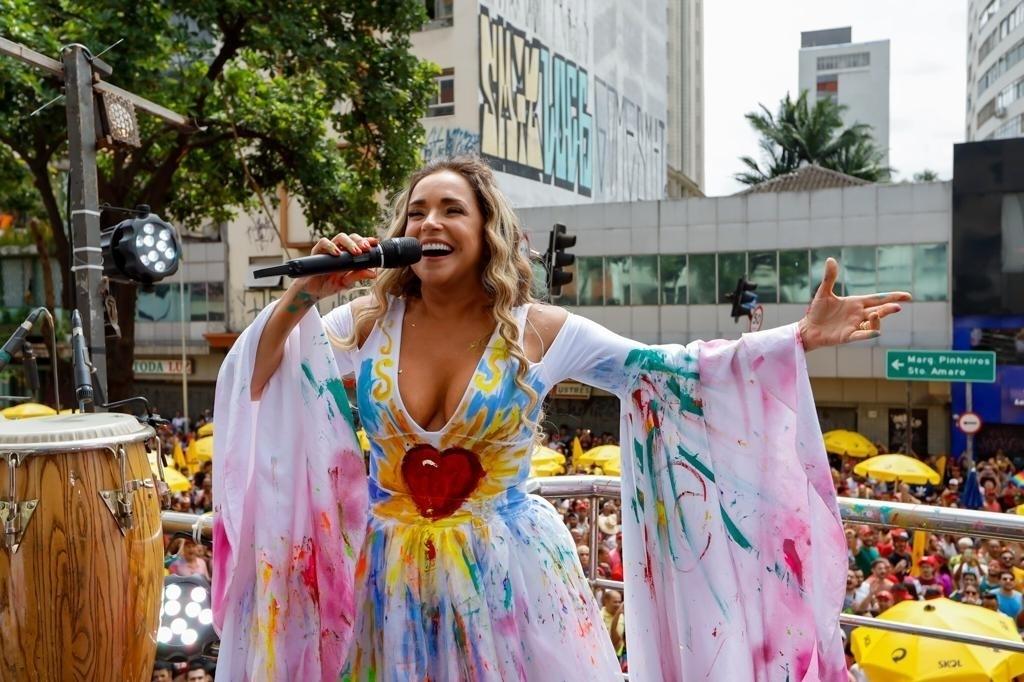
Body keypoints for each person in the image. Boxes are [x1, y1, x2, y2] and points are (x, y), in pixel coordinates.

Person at [214, 156, 909, 680]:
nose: (429, 222)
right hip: (390, 581)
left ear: (487, 229)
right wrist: (305, 293)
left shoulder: (539, 329)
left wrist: (795, 337)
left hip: (514, 581)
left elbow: (674, 369)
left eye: (451, 209)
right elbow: (261, 373)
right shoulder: (367, 322)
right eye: (416, 211)